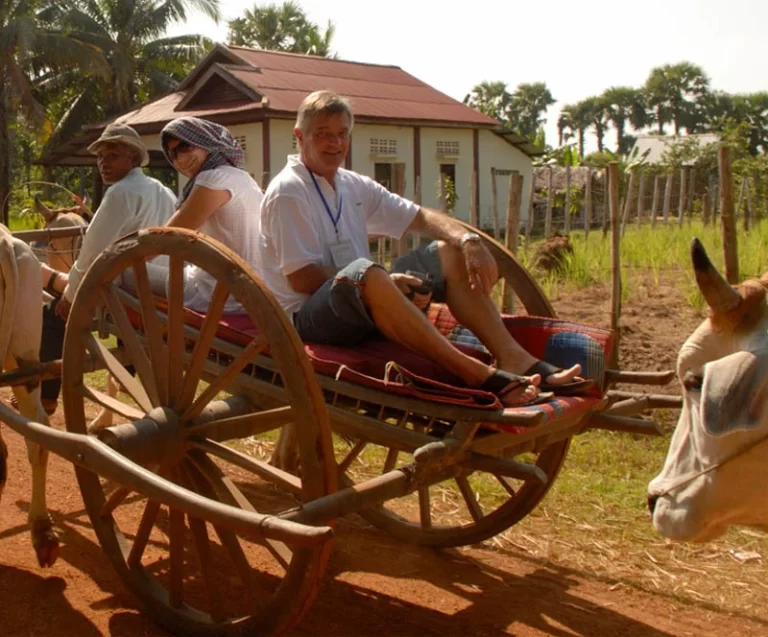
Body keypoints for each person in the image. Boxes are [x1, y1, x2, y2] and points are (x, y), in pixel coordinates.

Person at [258, 90, 591, 407]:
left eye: (342, 134)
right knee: (368, 273)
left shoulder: (351, 184)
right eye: (322, 134)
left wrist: (468, 241)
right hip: (307, 317)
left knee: (448, 252)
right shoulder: (290, 191)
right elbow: (302, 280)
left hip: (360, 297)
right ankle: (477, 374)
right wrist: (382, 283)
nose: (335, 143)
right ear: (300, 137)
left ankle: (515, 357)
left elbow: (420, 216)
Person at [39, 123, 177, 413]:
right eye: (100, 157)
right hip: (164, 289)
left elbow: (91, 254)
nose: (104, 163)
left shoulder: (120, 194)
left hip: (127, 292)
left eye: (112, 155)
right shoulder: (164, 192)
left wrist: (69, 297)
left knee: (51, 316)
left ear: (134, 159)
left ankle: (46, 398)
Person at [156, 116, 264, 313]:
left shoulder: (213, 178)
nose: (180, 159)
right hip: (252, 291)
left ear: (206, 143)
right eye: (172, 154)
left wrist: (120, 258)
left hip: (219, 295)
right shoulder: (243, 177)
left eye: (185, 147)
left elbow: (165, 237)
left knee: (124, 274)